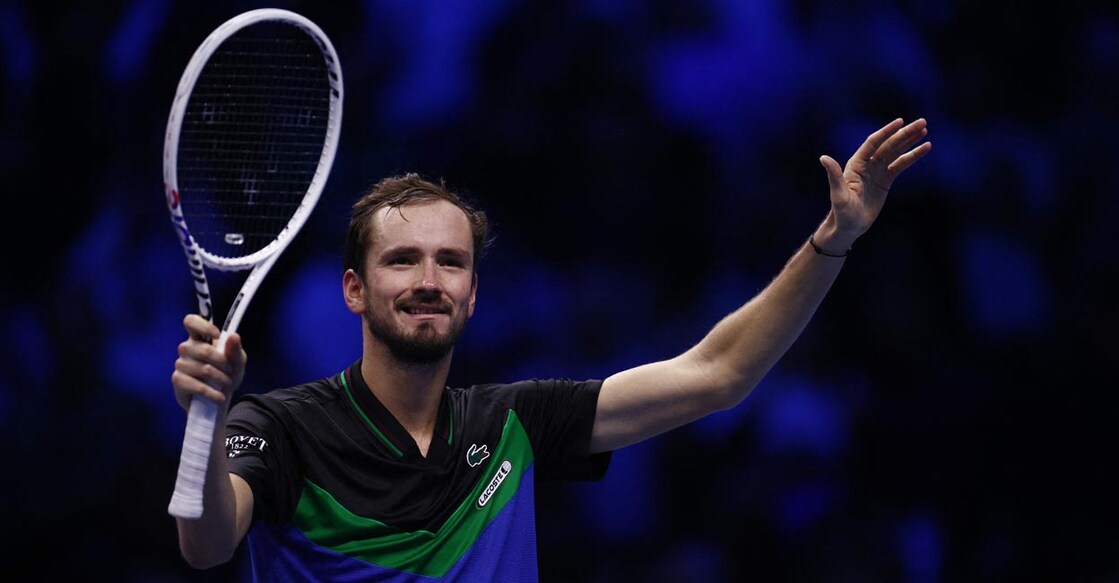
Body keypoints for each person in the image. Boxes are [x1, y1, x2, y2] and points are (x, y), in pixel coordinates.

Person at [170, 117, 932, 580]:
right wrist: (206, 420)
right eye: (401, 261)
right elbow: (205, 543)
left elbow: (717, 374)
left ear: (475, 292)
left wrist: (833, 240)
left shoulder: (515, 423)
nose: (428, 280)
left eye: (452, 261)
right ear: (353, 289)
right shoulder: (278, 429)